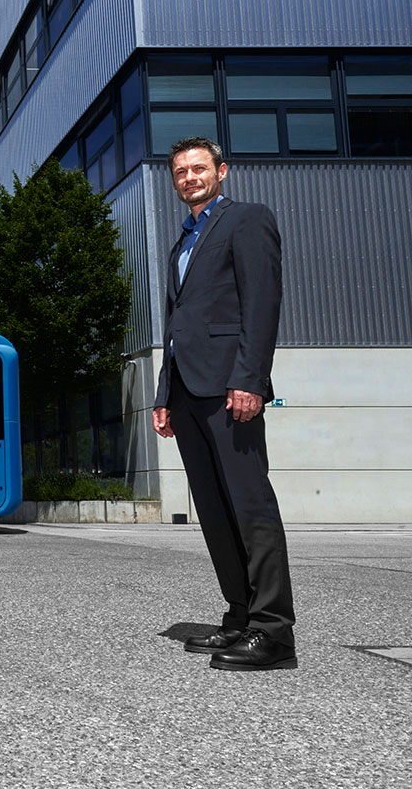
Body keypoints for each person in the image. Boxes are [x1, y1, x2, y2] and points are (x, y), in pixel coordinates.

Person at [153, 136, 296, 672]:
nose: (190, 177)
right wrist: (166, 394)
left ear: (222, 171)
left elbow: (262, 304)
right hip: (188, 392)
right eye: (181, 171)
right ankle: (239, 617)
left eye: (199, 168)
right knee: (214, 511)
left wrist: (251, 380)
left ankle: (274, 632)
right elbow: (176, 328)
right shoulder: (182, 242)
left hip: (231, 387)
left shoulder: (247, 220)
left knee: (250, 505)